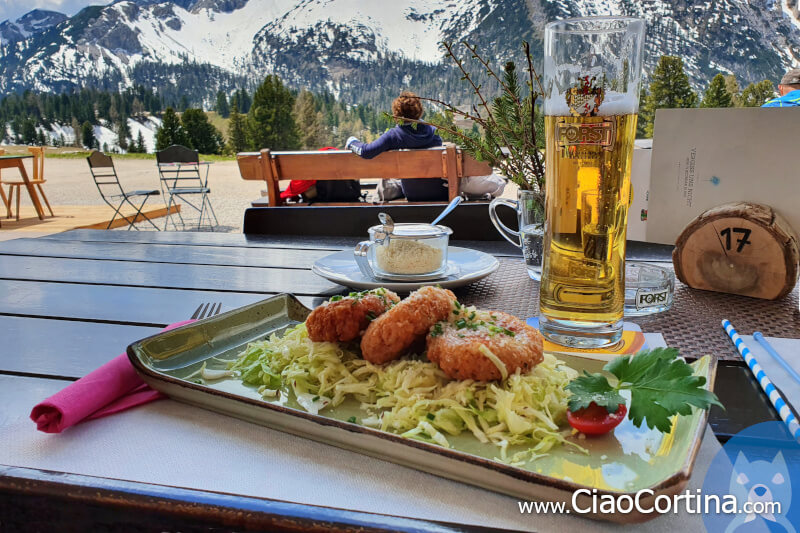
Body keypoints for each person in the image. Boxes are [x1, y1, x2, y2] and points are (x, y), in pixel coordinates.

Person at [345, 91, 448, 202]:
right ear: (420, 111)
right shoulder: (434, 132)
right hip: (440, 192)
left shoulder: (394, 136)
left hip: (413, 194)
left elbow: (366, 152)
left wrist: (352, 142)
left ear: (396, 114)